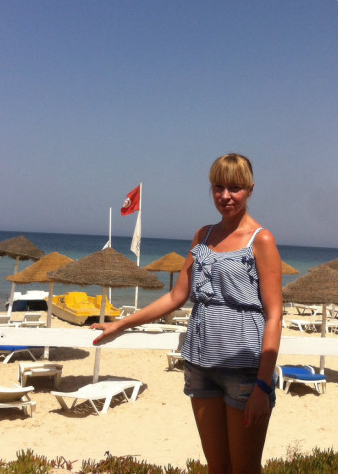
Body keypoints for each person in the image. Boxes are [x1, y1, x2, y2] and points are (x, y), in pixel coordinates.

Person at [91, 153, 283, 474]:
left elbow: (274, 316)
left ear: (250, 190)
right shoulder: (203, 236)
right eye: (218, 187)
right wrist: (122, 324)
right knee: (216, 468)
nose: (225, 196)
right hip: (199, 365)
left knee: (245, 469)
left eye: (235, 188)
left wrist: (264, 385)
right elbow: (176, 296)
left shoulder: (260, 240)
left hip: (244, 371)